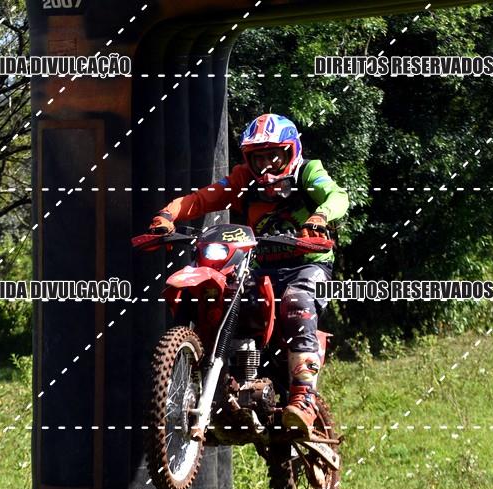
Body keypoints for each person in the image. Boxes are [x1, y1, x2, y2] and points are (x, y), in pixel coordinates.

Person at [148, 113, 349, 436]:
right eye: (258, 158)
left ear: (291, 151)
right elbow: (204, 197)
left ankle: (304, 398)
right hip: (261, 267)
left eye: (274, 156)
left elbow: (337, 196)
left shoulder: (308, 172)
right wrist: (168, 214)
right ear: (248, 159)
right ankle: (225, 386)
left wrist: (321, 216)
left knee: (297, 301)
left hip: (308, 266)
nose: (266, 165)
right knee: (223, 300)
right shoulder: (243, 179)